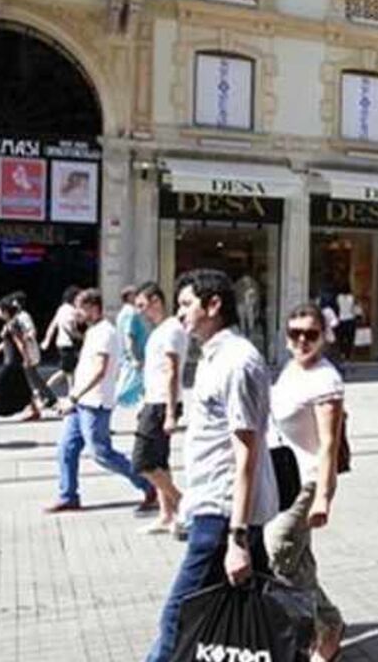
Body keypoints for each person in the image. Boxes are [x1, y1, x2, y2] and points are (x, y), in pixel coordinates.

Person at [145, 268, 280, 662]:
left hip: (222, 513)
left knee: (178, 615)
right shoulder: (212, 357)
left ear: (214, 305)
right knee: (252, 600)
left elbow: (246, 453)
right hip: (216, 504)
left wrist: (237, 538)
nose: (181, 314)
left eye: (187, 304)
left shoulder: (238, 362)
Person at [266, 303, 346, 661]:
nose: (302, 340)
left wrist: (323, 498)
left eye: (310, 334)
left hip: (309, 480)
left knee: (279, 548)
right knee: (299, 559)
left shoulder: (325, 379)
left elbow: (329, 443)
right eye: (295, 333)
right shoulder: (291, 369)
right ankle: (324, 627)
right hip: (283, 475)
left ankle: (326, 625)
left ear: (323, 337)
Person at [45, 288, 156, 514]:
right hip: (80, 402)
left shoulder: (105, 332)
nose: (77, 313)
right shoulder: (93, 331)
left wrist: (73, 396)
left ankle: (150, 486)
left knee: (101, 453)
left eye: (80, 308)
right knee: (66, 448)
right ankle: (68, 496)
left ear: (94, 308)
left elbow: (100, 370)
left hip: (95, 403)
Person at [131, 282, 189, 534]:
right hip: (152, 401)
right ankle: (167, 516)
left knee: (142, 462)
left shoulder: (171, 330)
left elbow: (172, 370)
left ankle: (184, 503)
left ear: (156, 300)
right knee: (160, 461)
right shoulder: (160, 330)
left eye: (142, 305)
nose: (140, 312)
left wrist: (169, 413)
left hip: (161, 403)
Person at [0, 296, 40, 424]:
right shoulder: (10, 324)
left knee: (0, 387)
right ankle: (35, 411)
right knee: (23, 387)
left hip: (12, 362)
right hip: (13, 359)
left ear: (4, 311)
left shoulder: (12, 325)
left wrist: (26, 359)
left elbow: (19, 343)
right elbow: (6, 343)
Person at [7, 292, 60, 413]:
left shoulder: (23, 316)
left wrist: (22, 337)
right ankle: (47, 398)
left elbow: (32, 332)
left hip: (29, 350)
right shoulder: (17, 317)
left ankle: (47, 398)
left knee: (32, 377)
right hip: (26, 351)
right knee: (33, 377)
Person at [41, 285, 83, 393]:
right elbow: (69, 328)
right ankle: (44, 390)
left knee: (70, 371)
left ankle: (71, 393)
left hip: (62, 343)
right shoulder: (70, 310)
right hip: (68, 344)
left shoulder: (61, 309)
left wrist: (47, 339)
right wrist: (82, 337)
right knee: (66, 371)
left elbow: (53, 325)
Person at [116, 285, 148, 408]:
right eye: (136, 294)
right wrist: (134, 357)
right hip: (135, 356)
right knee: (125, 387)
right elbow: (129, 336)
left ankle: (143, 414)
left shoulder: (123, 312)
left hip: (129, 356)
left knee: (141, 386)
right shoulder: (131, 313)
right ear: (129, 297)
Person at [335, 285, 358, 362]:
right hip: (350, 319)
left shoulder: (339, 297)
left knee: (341, 338)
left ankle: (342, 353)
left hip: (341, 319)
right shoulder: (352, 298)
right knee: (350, 338)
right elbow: (354, 308)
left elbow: (337, 307)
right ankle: (348, 355)